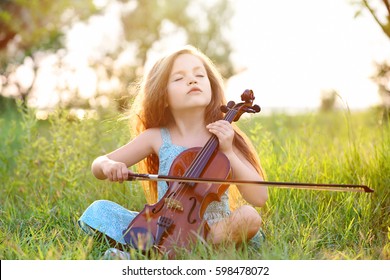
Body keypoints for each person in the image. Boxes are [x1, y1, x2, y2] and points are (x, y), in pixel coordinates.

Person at [78, 45, 268, 259]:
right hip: (163, 223)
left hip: (213, 229)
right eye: (179, 78)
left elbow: (259, 197)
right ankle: (172, 250)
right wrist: (109, 165)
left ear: (212, 87)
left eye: (199, 75)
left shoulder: (225, 136)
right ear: (164, 96)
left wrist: (228, 152)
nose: (192, 80)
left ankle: (154, 254)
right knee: (99, 210)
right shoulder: (157, 137)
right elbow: (99, 165)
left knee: (249, 217)